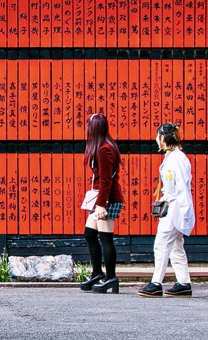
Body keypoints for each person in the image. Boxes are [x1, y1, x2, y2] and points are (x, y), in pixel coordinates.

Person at [139, 122, 195, 298]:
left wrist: (185, 213)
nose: (156, 140)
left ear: (164, 138)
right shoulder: (172, 157)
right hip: (172, 206)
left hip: (176, 208)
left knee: (162, 244)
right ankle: (183, 283)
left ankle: (156, 283)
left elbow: (182, 189)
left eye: (158, 136)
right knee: (176, 246)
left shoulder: (178, 159)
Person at [80, 112, 124, 294]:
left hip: (107, 199)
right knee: (90, 234)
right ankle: (97, 273)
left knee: (105, 237)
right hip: (100, 198)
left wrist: (102, 205)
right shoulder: (102, 147)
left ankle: (111, 277)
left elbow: (106, 180)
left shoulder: (104, 149)